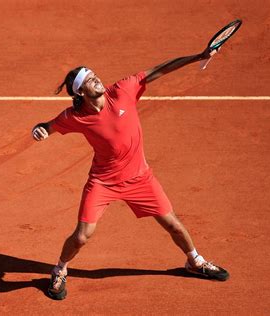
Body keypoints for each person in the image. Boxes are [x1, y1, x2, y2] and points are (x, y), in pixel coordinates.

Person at [31, 48, 229, 300]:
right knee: (82, 236)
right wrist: (40, 131)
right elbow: (46, 126)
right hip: (103, 182)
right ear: (80, 92)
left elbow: (159, 68)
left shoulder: (122, 90)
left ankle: (195, 261)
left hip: (140, 178)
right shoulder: (75, 116)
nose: (97, 79)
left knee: (173, 224)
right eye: (90, 79)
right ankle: (59, 269)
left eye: (95, 74)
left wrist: (198, 56)